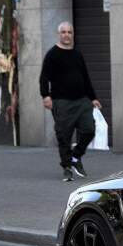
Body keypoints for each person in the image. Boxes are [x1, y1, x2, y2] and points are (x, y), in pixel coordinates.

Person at [39, 22, 101, 182]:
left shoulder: (77, 54)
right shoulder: (52, 54)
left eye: (70, 32)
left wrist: (93, 98)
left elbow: (85, 77)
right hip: (61, 102)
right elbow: (44, 77)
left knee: (89, 130)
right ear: (59, 34)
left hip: (81, 101)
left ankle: (75, 157)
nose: (67, 35)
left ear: (73, 34)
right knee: (64, 135)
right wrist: (45, 96)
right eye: (64, 32)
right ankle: (67, 167)